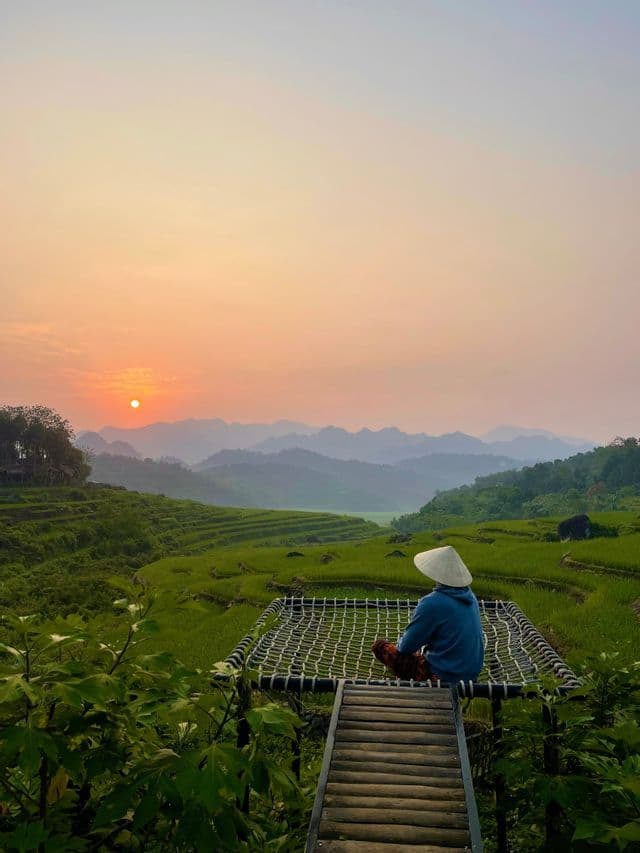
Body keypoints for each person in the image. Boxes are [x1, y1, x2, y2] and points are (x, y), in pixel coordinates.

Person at [372, 545, 484, 683]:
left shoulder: (432, 602)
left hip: (443, 676)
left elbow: (406, 647)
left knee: (380, 646)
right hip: (471, 675)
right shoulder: (470, 596)